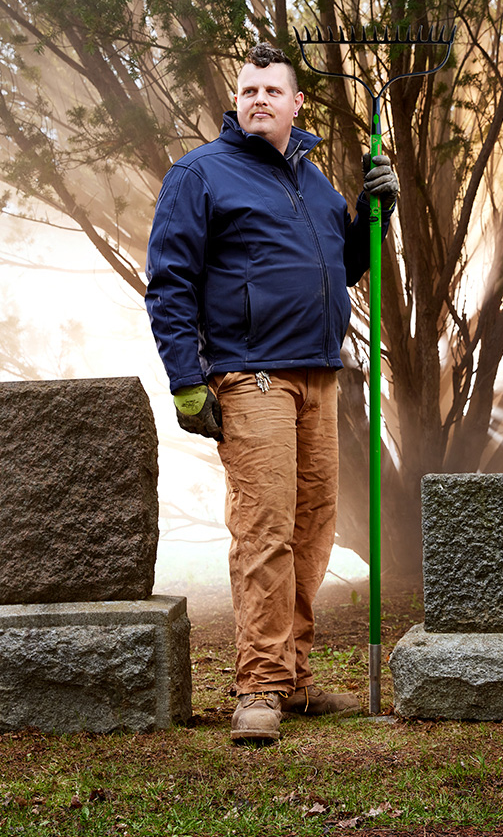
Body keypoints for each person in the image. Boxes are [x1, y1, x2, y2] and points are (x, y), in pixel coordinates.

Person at [144, 41, 398, 744]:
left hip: (320, 376)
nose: (256, 100)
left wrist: (376, 214)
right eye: (247, 90)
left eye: (270, 91)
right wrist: (187, 381)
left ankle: (295, 677)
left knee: (313, 531)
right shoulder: (201, 175)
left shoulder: (314, 184)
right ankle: (258, 686)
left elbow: (347, 267)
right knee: (264, 530)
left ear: (296, 105)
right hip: (252, 375)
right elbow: (169, 284)